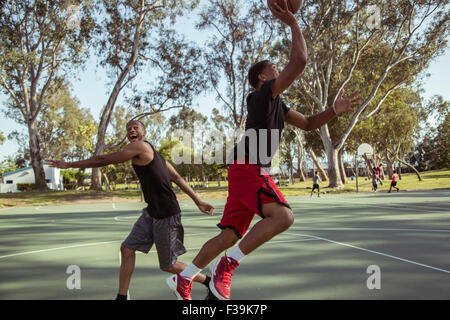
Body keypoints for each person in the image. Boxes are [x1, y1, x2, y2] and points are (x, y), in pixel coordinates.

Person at [166, 1, 363, 301]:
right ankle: (226, 267)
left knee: (229, 235)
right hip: (249, 169)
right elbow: (299, 63)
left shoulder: (277, 105)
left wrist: (333, 110)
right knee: (284, 217)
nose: (276, 67)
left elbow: (309, 124)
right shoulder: (259, 97)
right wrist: (293, 22)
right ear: (261, 77)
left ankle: (184, 277)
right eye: (271, 67)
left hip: (242, 169)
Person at [47, 120, 215, 300]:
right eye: (128, 129)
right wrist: (198, 201)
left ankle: (208, 281)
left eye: (135, 127)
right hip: (152, 212)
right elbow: (175, 176)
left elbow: (103, 160)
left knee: (168, 265)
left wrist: (69, 165)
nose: (131, 130)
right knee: (127, 249)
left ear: (144, 132)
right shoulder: (151, 152)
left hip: (167, 214)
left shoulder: (142, 147)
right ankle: (122, 296)